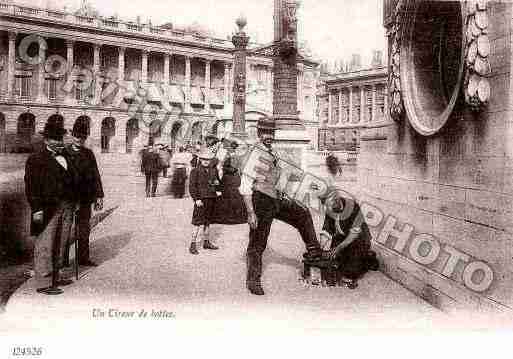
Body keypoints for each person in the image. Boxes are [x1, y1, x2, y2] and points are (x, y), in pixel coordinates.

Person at [240, 117, 323, 295]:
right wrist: (251, 213)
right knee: (257, 242)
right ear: (259, 133)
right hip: (260, 200)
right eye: (265, 133)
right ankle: (253, 280)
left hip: (276, 198)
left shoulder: (272, 152)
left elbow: (284, 175)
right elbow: (245, 186)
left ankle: (315, 252)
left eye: (271, 133)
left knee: (302, 213)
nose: (269, 136)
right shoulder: (254, 153)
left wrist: (305, 184)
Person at [24, 119, 77, 294]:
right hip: (47, 208)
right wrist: (36, 208)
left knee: (62, 242)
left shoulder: (68, 157)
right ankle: (44, 283)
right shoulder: (36, 159)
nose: (58, 142)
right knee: (45, 244)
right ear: (46, 140)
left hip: (67, 206)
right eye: (54, 139)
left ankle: (57, 276)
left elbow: (73, 181)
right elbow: (31, 186)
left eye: (60, 139)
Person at [64, 121, 104, 268]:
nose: (79, 140)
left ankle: (83, 258)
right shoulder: (64, 152)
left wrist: (99, 196)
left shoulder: (88, 153)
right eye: (77, 136)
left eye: (82, 137)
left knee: (84, 229)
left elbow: (95, 175)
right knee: (65, 230)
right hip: (68, 199)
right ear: (72, 136)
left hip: (86, 198)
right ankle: (63, 260)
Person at [188, 150, 222, 254]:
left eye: (208, 159)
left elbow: (216, 182)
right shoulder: (195, 171)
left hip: (211, 198)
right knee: (197, 222)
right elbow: (192, 186)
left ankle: (206, 242)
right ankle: (192, 244)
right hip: (201, 200)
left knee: (208, 221)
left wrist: (217, 188)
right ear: (200, 159)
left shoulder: (213, 170)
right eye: (204, 159)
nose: (206, 161)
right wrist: (196, 199)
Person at [212, 139, 247, 225]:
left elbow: (233, 168)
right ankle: (228, 216)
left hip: (232, 178)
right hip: (228, 178)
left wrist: (223, 168)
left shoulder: (234, 156)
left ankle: (232, 217)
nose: (228, 149)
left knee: (232, 195)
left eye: (229, 147)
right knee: (228, 195)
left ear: (232, 148)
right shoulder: (228, 155)